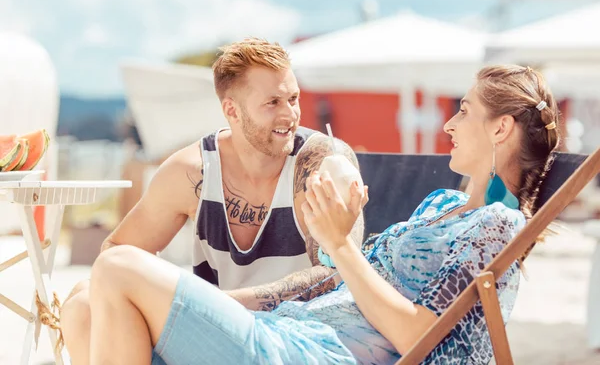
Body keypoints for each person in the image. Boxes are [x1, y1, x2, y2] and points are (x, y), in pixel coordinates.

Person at [85, 64, 561, 365]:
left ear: (500, 129)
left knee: (117, 268)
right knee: (85, 308)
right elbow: (338, 282)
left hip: (309, 354)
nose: (448, 124)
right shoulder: (444, 205)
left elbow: (421, 334)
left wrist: (339, 243)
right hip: (289, 329)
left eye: (463, 111)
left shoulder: (498, 226)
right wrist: (233, 302)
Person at [59, 38, 365, 363]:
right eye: (272, 102)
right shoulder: (192, 171)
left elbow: (337, 272)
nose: (290, 114)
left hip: (296, 339)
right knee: (81, 303)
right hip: (216, 341)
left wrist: (214, 304)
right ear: (232, 110)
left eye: (293, 98)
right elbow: (116, 255)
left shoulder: (320, 163)